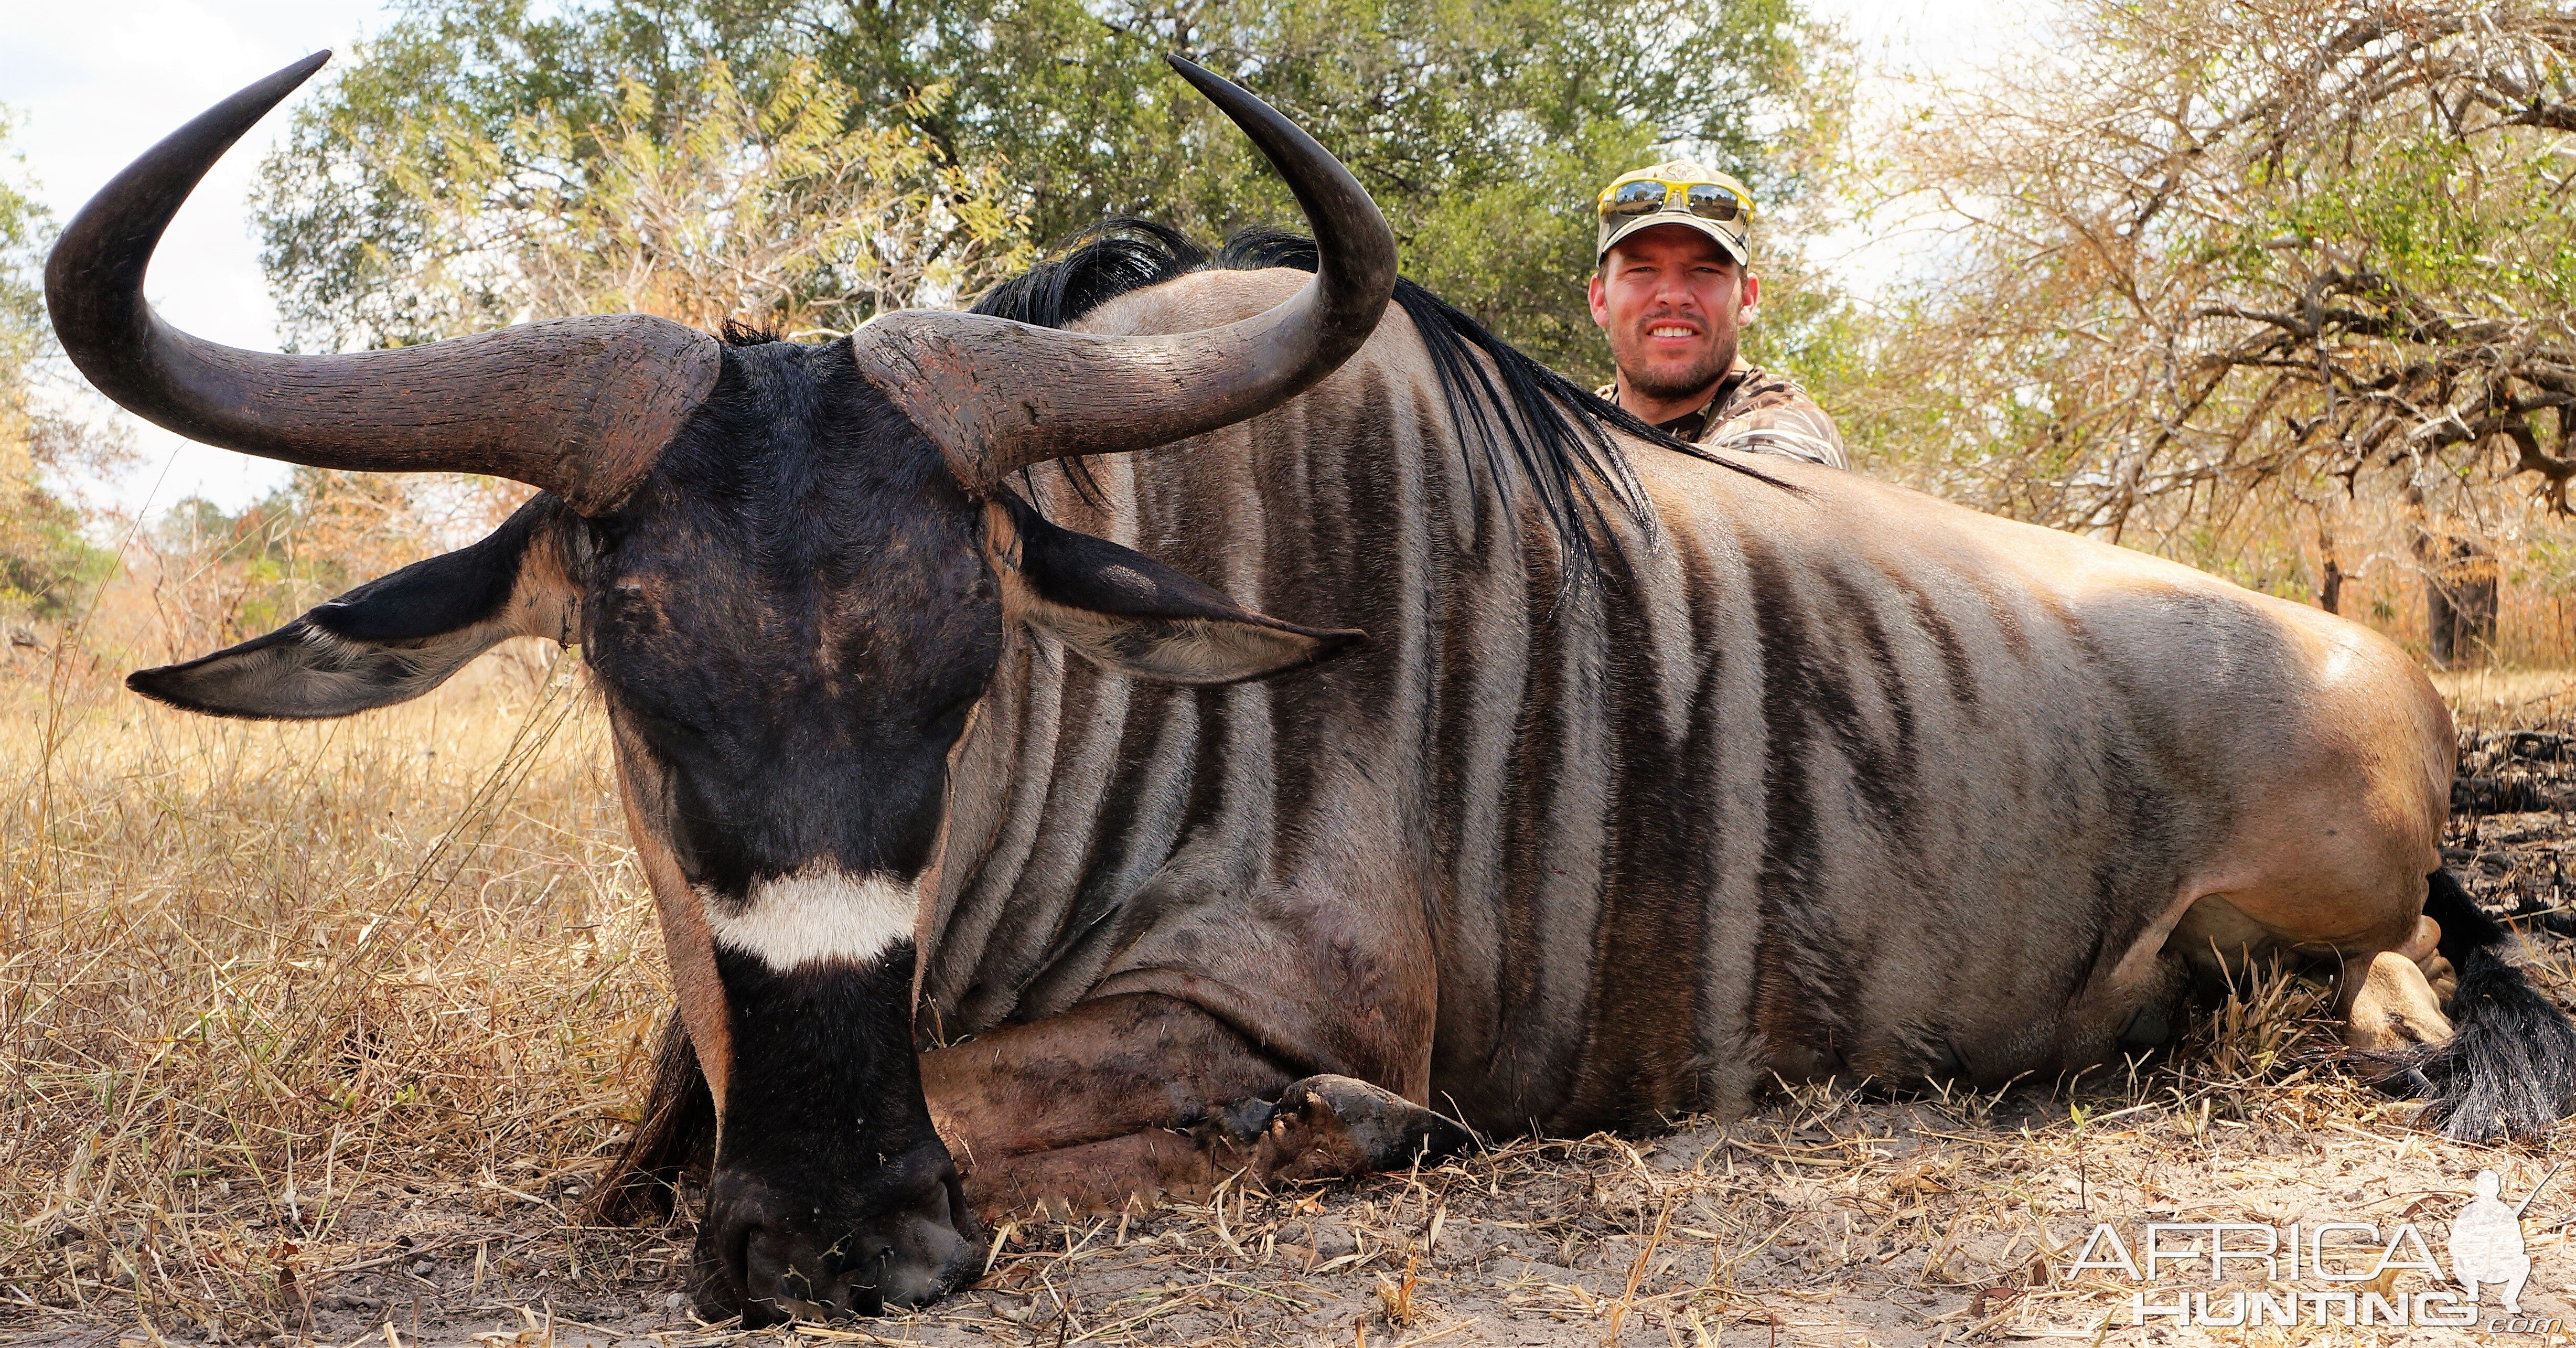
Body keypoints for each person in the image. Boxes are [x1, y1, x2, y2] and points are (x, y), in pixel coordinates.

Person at [1587, 161, 1847, 468]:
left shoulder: (1781, 430)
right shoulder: (1584, 422)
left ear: (1748, 299)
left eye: (1705, 270)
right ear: (1600, 299)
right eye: (1642, 269)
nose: (1674, 295)